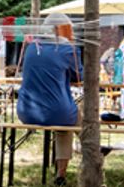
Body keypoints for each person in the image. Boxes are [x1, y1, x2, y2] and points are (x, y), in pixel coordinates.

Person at [16, 13, 82, 186]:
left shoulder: (31, 47)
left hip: (25, 111)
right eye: (68, 29)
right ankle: (89, 154)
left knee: (66, 117)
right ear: (60, 30)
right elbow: (79, 76)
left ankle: (65, 169)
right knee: (76, 122)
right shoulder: (69, 50)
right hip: (57, 113)